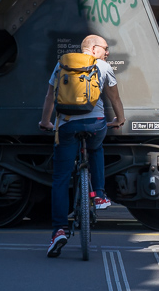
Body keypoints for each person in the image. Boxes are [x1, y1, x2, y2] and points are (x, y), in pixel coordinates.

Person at [39, 34, 125, 257]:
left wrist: (45, 122)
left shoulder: (62, 64)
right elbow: (114, 98)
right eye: (105, 48)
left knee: (60, 178)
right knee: (96, 148)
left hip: (67, 126)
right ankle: (99, 194)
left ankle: (59, 230)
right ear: (94, 49)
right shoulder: (103, 66)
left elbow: (50, 95)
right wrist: (119, 119)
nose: (107, 52)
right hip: (95, 124)